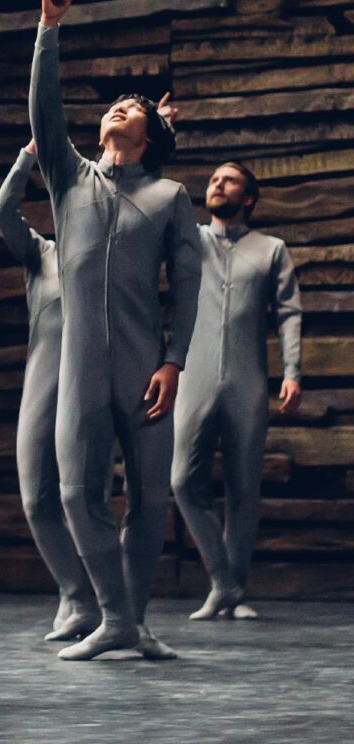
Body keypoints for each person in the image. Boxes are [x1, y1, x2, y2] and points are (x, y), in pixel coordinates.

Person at [31, 0, 201, 661]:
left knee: (153, 501)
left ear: (152, 137)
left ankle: (133, 620)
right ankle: (116, 618)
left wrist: (174, 361)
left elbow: (188, 288)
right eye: (113, 105)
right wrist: (48, 28)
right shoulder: (68, 177)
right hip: (78, 368)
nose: (116, 109)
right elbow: (44, 111)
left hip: (142, 368)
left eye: (131, 108)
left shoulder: (169, 197)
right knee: (76, 494)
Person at [173, 160, 302, 621]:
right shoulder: (189, 239)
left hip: (248, 379)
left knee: (244, 486)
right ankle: (225, 583)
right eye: (212, 179)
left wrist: (292, 370)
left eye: (228, 181)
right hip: (194, 375)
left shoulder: (271, 249)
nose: (216, 185)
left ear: (248, 198)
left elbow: (288, 312)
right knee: (183, 480)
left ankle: (232, 588)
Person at [0, 139, 101, 641]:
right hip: (45, 377)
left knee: (87, 493)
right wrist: (28, 157)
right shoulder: (41, 252)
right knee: (37, 496)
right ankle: (75, 594)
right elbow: (1, 210)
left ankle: (104, 601)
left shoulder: (108, 256)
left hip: (99, 383)